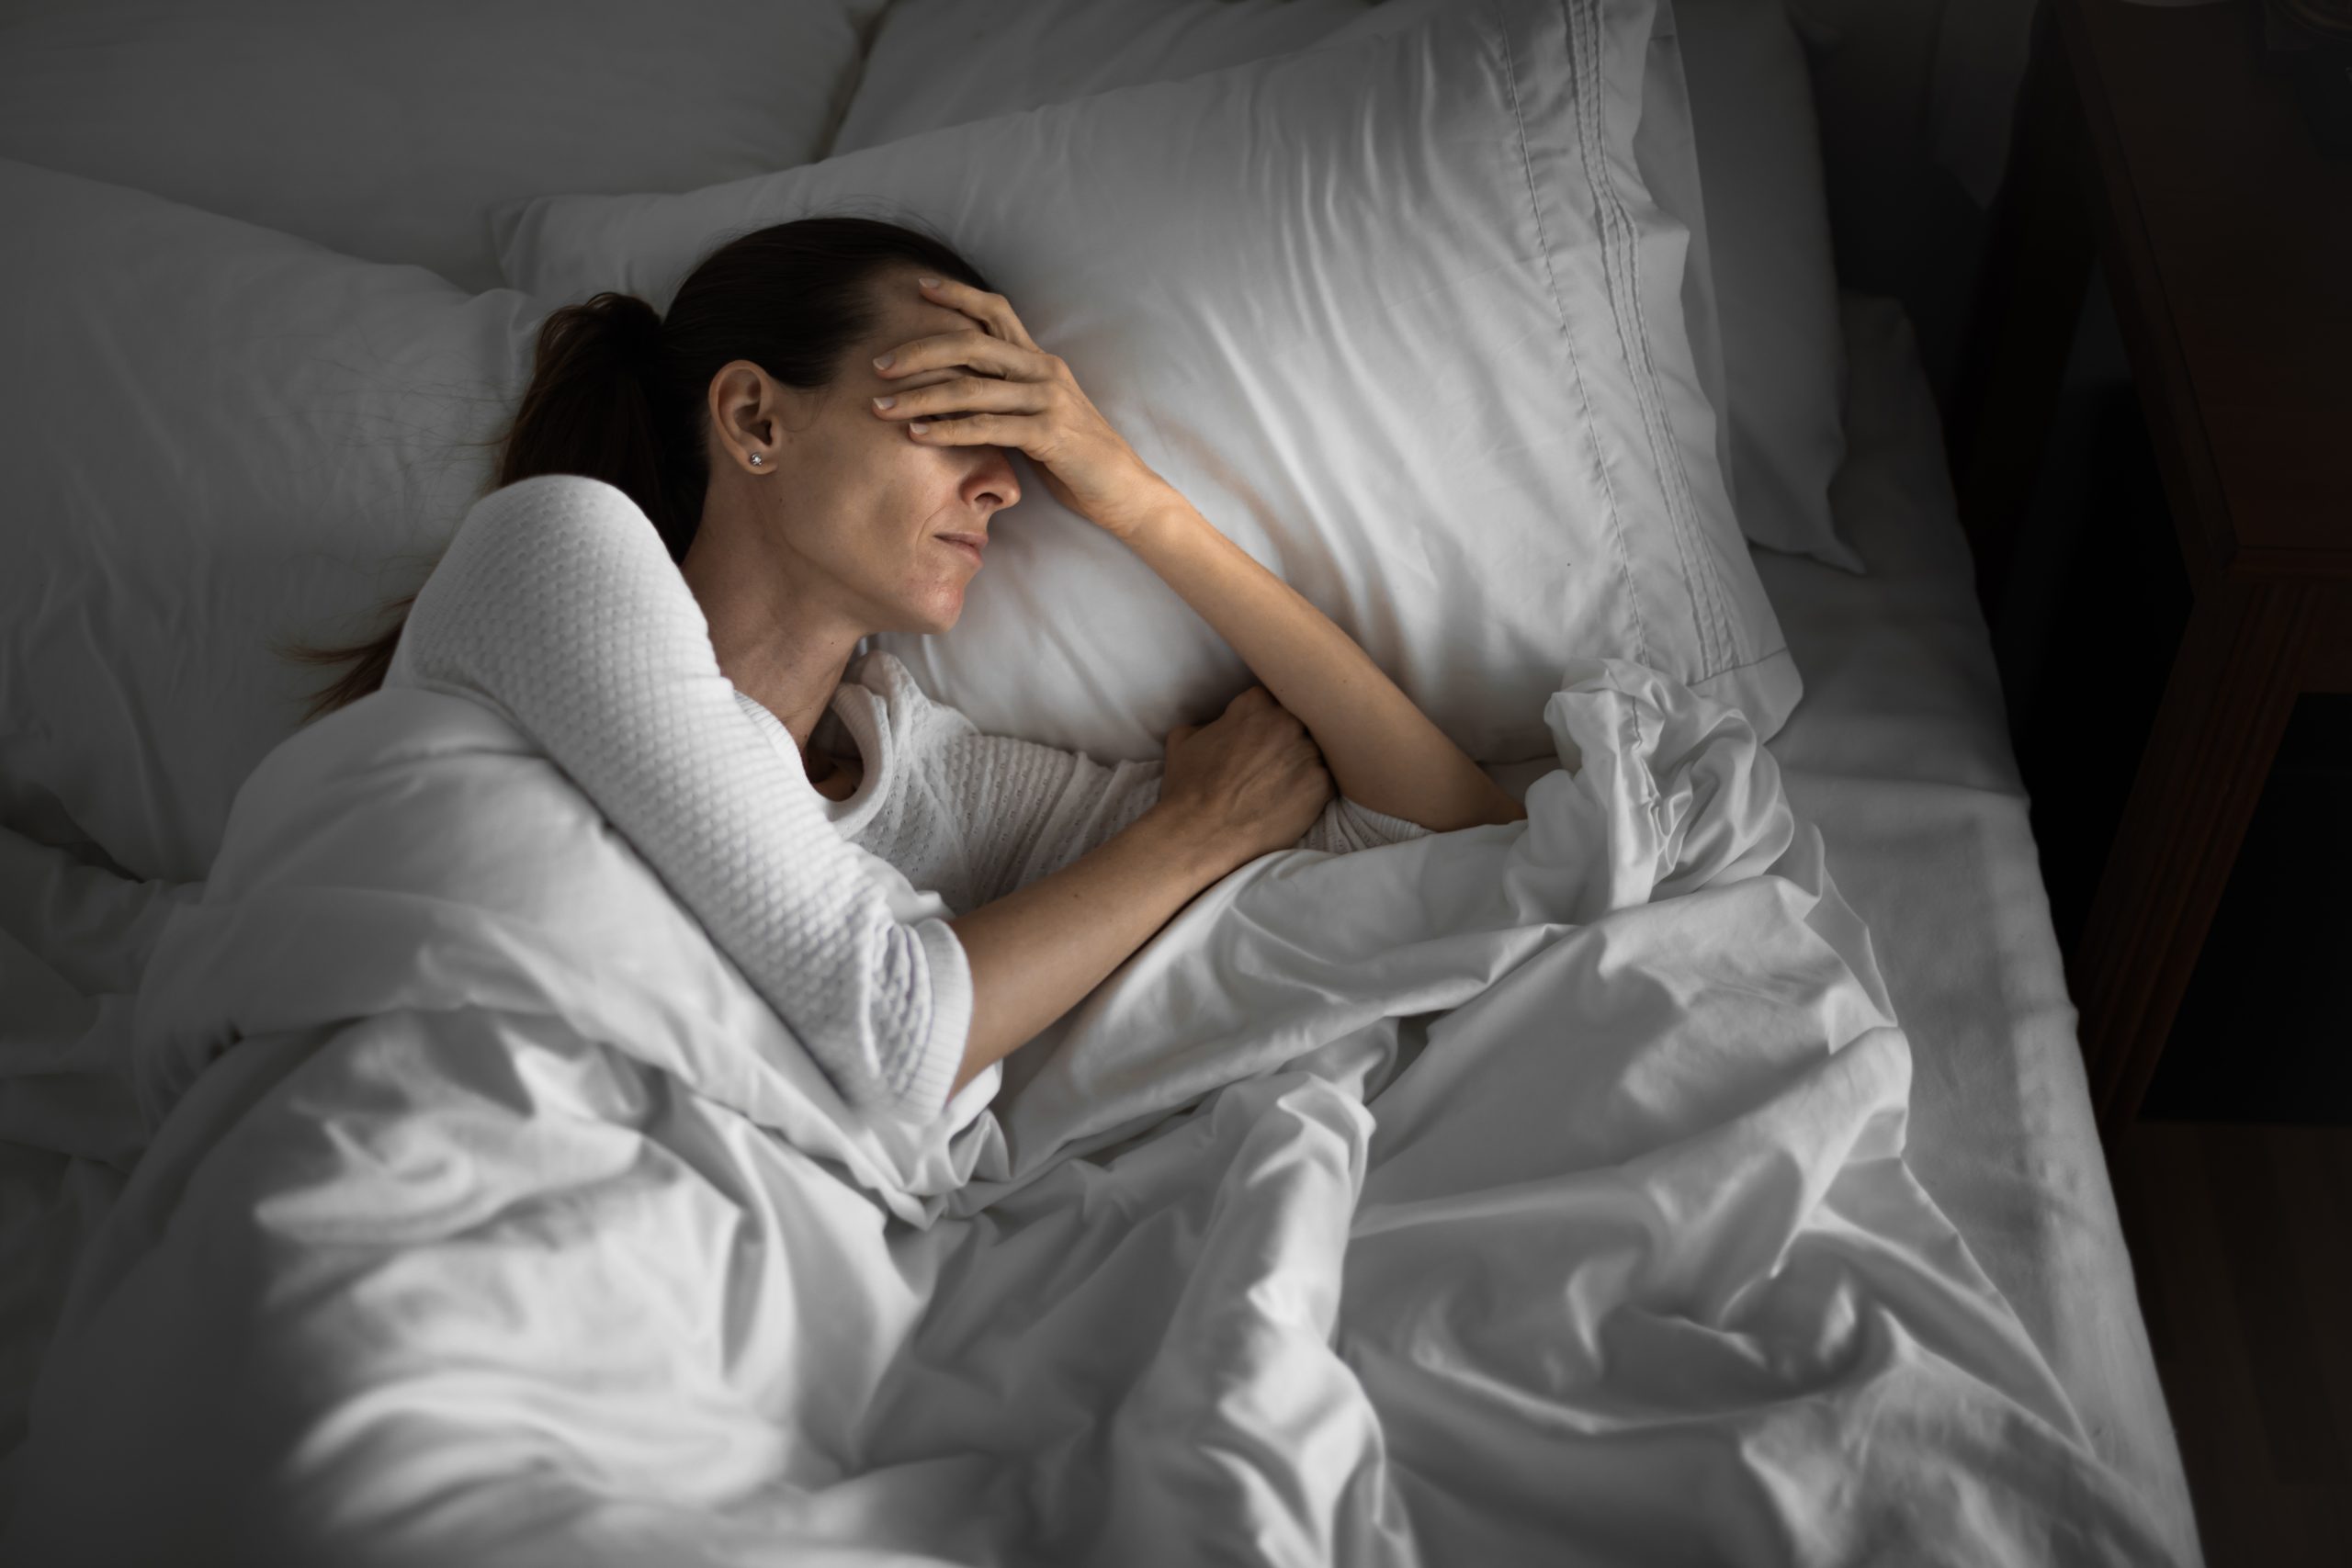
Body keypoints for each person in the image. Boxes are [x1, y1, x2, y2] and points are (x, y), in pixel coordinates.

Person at [284, 216, 1526, 1112]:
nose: (1008, 479)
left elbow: (1444, 835)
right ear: (758, 420)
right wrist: (1193, 834)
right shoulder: (552, 548)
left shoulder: (929, 788)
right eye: (955, 414)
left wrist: (1140, 505)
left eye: (1022, 437)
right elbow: (896, 1030)